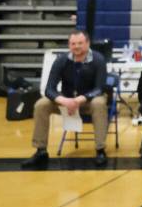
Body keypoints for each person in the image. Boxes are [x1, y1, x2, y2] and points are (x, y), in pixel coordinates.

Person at [21, 30, 109, 168]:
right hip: (66, 101)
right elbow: (49, 89)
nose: (77, 46)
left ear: (87, 43)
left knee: (99, 103)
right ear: (69, 45)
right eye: (73, 43)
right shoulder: (61, 60)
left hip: (89, 101)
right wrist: (64, 101)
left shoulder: (98, 60)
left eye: (80, 43)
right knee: (41, 105)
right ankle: (41, 150)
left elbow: (100, 88)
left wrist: (82, 98)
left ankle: (100, 150)